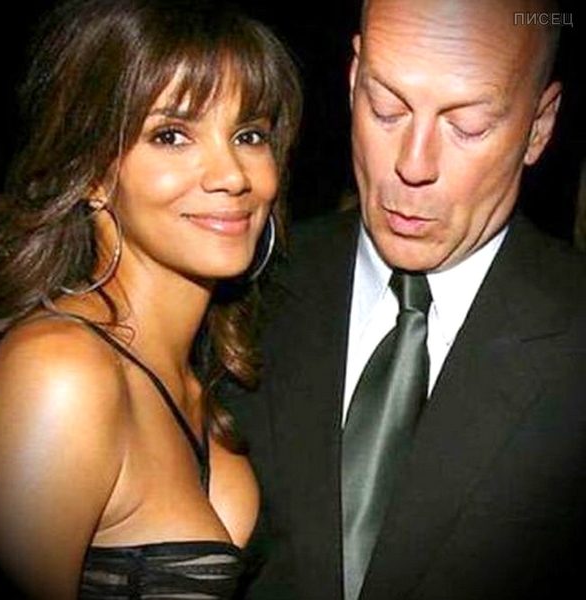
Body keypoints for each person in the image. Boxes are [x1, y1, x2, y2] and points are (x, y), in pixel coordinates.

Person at [228, 0, 586, 599]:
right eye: (386, 108)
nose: (412, 165)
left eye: (467, 126)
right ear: (352, 82)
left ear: (540, 126)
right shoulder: (238, 291)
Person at [0, 0, 301, 598]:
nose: (232, 175)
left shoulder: (205, 375)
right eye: (172, 136)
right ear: (92, 171)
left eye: (249, 135)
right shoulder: (59, 371)